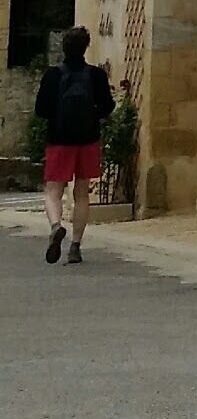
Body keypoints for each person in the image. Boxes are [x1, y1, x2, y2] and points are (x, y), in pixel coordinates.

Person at [35, 26, 114, 267]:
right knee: (81, 193)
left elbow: (41, 110)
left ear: (64, 47)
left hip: (59, 140)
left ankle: (56, 225)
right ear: (86, 47)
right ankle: (76, 246)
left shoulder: (53, 75)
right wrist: (93, 117)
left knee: (53, 191)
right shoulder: (96, 75)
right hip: (88, 140)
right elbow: (108, 105)